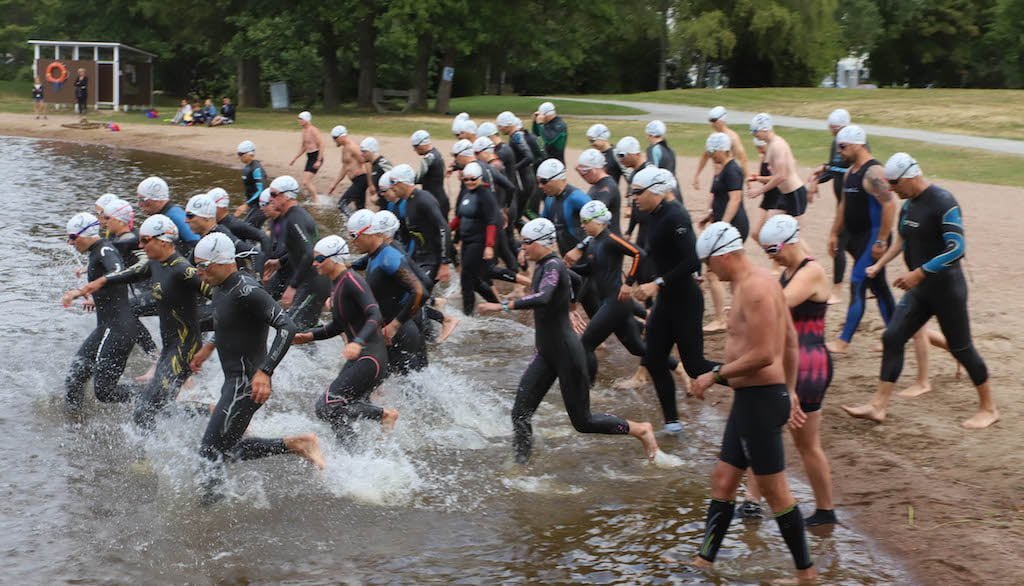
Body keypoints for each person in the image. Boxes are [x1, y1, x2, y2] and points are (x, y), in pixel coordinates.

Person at [689, 222, 816, 583]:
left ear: (724, 255)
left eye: (709, 263)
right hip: (754, 399)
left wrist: (713, 376)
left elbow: (765, 353)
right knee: (724, 479)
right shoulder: (758, 283)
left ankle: (806, 574)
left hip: (759, 401)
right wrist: (790, 391)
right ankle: (704, 562)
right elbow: (790, 342)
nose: (708, 271)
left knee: (776, 492)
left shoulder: (756, 289)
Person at [478, 218, 659, 464]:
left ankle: (640, 430)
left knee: (584, 422)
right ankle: (521, 469)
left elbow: (544, 297)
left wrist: (501, 306)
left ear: (542, 243)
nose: (523, 248)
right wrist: (571, 307)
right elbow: (575, 281)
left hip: (566, 353)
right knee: (520, 414)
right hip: (546, 353)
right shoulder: (546, 266)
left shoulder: (552, 266)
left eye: (527, 243)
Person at [842, 153, 999, 430]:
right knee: (892, 337)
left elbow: (957, 249)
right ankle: (878, 406)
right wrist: (879, 264)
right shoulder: (909, 205)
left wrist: (919, 273)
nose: (891, 189)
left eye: (895, 183)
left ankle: (989, 408)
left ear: (911, 176)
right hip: (921, 289)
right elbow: (902, 240)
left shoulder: (943, 202)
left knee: (962, 348)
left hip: (947, 289)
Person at [188, 233, 324, 499]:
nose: (199, 273)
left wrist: (266, 372)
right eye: (196, 266)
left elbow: (287, 327)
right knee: (224, 452)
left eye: (202, 266)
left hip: (247, 384)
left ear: (222, 262)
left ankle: (208, 521)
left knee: (208, 455)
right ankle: (295, 444)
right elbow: (225, 322)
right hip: (234, 383)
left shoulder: (246, 290)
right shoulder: (222, 287)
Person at [63, 215, 211, 430]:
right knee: (154, 405)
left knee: (147, 410)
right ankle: (208, 413)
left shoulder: (183, 270)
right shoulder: (155, 264)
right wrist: (92, 286)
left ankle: (208, 415)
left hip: (184, 348)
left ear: (163, 241)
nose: (140, 245)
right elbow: (126, 274)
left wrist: (210, 345)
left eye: (145, 240)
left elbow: (221, 301)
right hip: (170, 346)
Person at [759, 215, 837, 526]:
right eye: (766, 250)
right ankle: (822, 510)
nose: (771, 255)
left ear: (791, 241)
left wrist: (750, 299)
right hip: (797, 361)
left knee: (800, 442)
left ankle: (824, 510)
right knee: (768, 432)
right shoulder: (788, 269)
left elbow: (781, 301)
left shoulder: (811, 271)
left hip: (808, 365)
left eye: (774, 248)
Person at [631, 167, 715, 432]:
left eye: (637, 192)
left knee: (695, 365)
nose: (633, 198)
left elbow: (692, 258)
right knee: (654, 360)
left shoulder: (675, 214)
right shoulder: (653, 213)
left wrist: (657, 283)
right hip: (666, 302)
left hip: (685, 301)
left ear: (655, 191)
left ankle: (751, 380)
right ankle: (672, 424)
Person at [293, 235, 400, 441]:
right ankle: (355, 455)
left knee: (326, 406)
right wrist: (308, 337)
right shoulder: (337, 283)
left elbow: (375, 314)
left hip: (370, 357)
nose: (314, 263)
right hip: (361, 357)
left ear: (334, 258)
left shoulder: (352, 281)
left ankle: (385, 415)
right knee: (336, 413)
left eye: (320, 258)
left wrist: (357, 342)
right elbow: (338, 326)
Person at [826, 125, 897, 354]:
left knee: (858, 281)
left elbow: (889, 205)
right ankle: (896, 335)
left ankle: (843, 340)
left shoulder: (874, 172)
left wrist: (881, 241)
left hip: (874, 237)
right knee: (879, 286)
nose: (840, 152)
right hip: (858, 238)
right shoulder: (850, 172)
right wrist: (834, 233)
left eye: (843, 147)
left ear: (857, 144)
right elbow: (843, 206)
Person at [60, 213, 136, 411]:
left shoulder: (104, 250)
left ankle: (158, 394)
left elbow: (118, 272)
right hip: (106, 328)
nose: (70, 242)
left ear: (87, 233)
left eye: (73, 237)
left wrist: (82, 291)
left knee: (105, 392)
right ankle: (75, 426)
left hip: (118, 329)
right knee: (74, 378)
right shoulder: (97, 252)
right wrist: (96, 296)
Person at [347, 210, 428, 374]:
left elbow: (420, 292)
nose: (352, 241)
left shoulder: (388, 257)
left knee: (412, 392)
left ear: (369, 232)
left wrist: (394, 325)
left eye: (354, 235)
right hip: (390, 334)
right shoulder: (374, 255)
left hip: (401, 334)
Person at [260, 176, 331, 329]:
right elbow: (299, 249)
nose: (270, 199)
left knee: (294, 330)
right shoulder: (289, 217)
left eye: (273, 194)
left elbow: (309, 252)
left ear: (287, 196)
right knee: (299, 331)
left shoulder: (294, 219)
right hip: (309, 280)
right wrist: (280, 262)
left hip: (314, 282)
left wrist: (292, 286)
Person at [699, 132, 750, 334]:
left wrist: (723, 228)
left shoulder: (732, 170)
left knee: (712, 273)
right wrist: (711, 215)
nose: (711, 155)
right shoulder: (721, 169)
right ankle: (739, 312)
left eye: (713, 152)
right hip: (725, 224)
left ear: (723, 149)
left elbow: (735, 199)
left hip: (734, 225)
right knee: (732, 274)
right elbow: (720, 198)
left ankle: (721, 319)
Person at [808, 109, 853, 303]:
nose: (834, 133)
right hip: (841, 203)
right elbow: (835, 170)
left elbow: (847, 169)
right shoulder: (836, 143)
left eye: (836, 129)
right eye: (832, 129)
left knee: (837, 245)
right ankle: (873, 279)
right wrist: (819, 178)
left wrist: (825, 169)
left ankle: (837, 290)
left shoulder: (854, 144)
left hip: (852, 203)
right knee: (850, 246)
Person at [449, 162, 500, 316]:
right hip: (467, 241)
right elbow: (459, 217)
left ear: (480, 178)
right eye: (466, 179)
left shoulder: (485, 195)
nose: (470, 182)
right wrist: (447, 230)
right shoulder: (466, 192)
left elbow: (492, 221)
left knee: (466, 276)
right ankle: (496, 304)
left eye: (473, 179)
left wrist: (489, 246)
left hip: (479, 242)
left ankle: (467, 314)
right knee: (475, 280)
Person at [746, 113, 807, 219]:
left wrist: (759, 191)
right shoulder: (770, 144)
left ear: (765, 129)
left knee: (793, 233)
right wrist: (757, 178)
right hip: (785, 194)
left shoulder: (777, 145)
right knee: (771, 225)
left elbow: (782, 176)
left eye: (755, 131)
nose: (754, 134)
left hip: (794, 194)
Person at [537, 159, 590, 256]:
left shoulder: (577, 198)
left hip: (588, 258)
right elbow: (542, 227)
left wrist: (580, 248)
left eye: (543, 181)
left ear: (558, 179)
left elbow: (602, 227)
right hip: (568, 259)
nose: (540, 186)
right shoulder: (549, 199)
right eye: (538, 181)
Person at [136, 176, 201, 256]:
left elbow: (197, 244)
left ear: (157, 199)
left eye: (142, 200)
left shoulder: (175, 216)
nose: (139, 204)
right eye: (138, 200)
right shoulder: (163, 215)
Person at [692, 106, 749, 191]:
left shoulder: (733, 137)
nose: (711, 124)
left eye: (714, 120)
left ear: (722, 119)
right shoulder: (713, 137)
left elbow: (743, 158)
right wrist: (697, 175)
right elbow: (705, 156)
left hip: (729, 177)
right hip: (717, 177)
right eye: (710, 121)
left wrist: (747, 179)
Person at [576, 149, 621, 233]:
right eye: (578, 170)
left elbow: (594, 215)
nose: (582, 175)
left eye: (583, 171)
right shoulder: (598, 185)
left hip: (609, 241)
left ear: (594, 170)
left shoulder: (607, 188)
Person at [329, 125, 370, 214]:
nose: (334, 140)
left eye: (335, 138)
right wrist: (334, 184)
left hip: (361, 179)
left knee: (342, 204)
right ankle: (363, 225)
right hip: (357, 181)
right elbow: (345, 168)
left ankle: (351, 223)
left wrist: (371, 184)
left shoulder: (352, 147)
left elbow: (366, 161)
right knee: (360, 208)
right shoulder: (345, 149)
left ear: (342, 136)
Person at [410, 130, 450, 218]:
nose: (414, 150)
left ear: (422, 144)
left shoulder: (428, 158)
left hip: (433, 200)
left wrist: (404, 179)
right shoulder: (437, 153)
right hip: (441, 197)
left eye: (415, 146)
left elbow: (417, 178)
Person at [290, 111, 325, 204]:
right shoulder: (304, 131)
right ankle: (314, 199)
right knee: (305, 183)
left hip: (316, 156)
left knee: (306, 182)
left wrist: (318, 160)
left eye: (300, 119)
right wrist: (295, 158)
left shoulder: (313, 130)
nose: (299, 121)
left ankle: (317, 201)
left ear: (306, 120)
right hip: (310, 157)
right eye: (299, 119)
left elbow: (321, 144)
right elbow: (304, 147)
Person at [232, 140, 268, 227]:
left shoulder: (256, 169)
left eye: (240, 154)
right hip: (253, 205)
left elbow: (261, 190)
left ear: (249, 154)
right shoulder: (247, 167)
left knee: (248, 228)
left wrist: (246, 205)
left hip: (260, 205)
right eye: (238, 154)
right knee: (250, 229)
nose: (239, 157)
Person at [361, 137, 394, 208]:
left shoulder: (382, 163)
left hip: (391, 206)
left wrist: (378, 195)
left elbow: (396, 180)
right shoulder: (374, 165)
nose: (361, 154)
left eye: (364, 151)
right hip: (384, 205)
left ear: (371, 151)